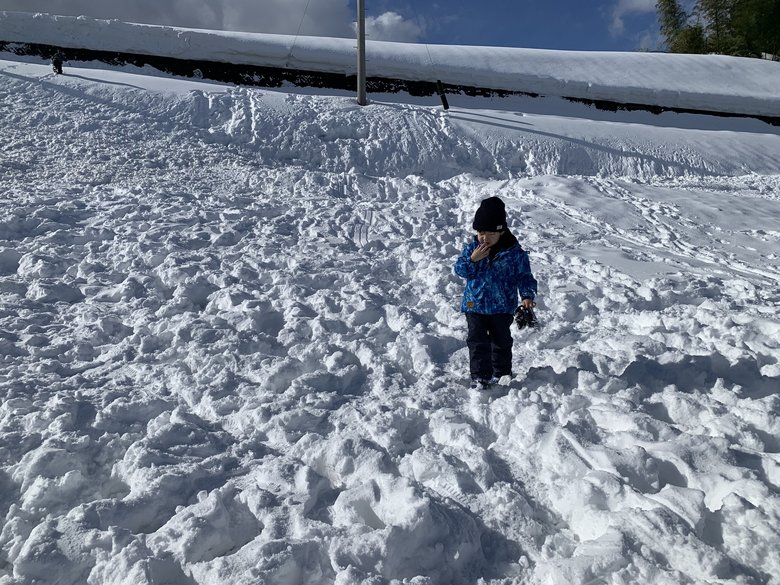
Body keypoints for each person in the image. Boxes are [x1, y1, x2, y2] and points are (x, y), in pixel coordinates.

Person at [454, 196, 537, 387]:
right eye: (481, 232)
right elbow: (460, 270)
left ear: (501, 231)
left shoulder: (514, 253)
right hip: (474, 304)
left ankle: (502, 373)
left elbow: (524, 276)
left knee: (501, 341)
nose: (484, 237)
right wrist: (472, 260)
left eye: (490, 233)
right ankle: (480, 377)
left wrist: (527, 295)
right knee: (477, 341)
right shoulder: (472, 249)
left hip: (502, 306)